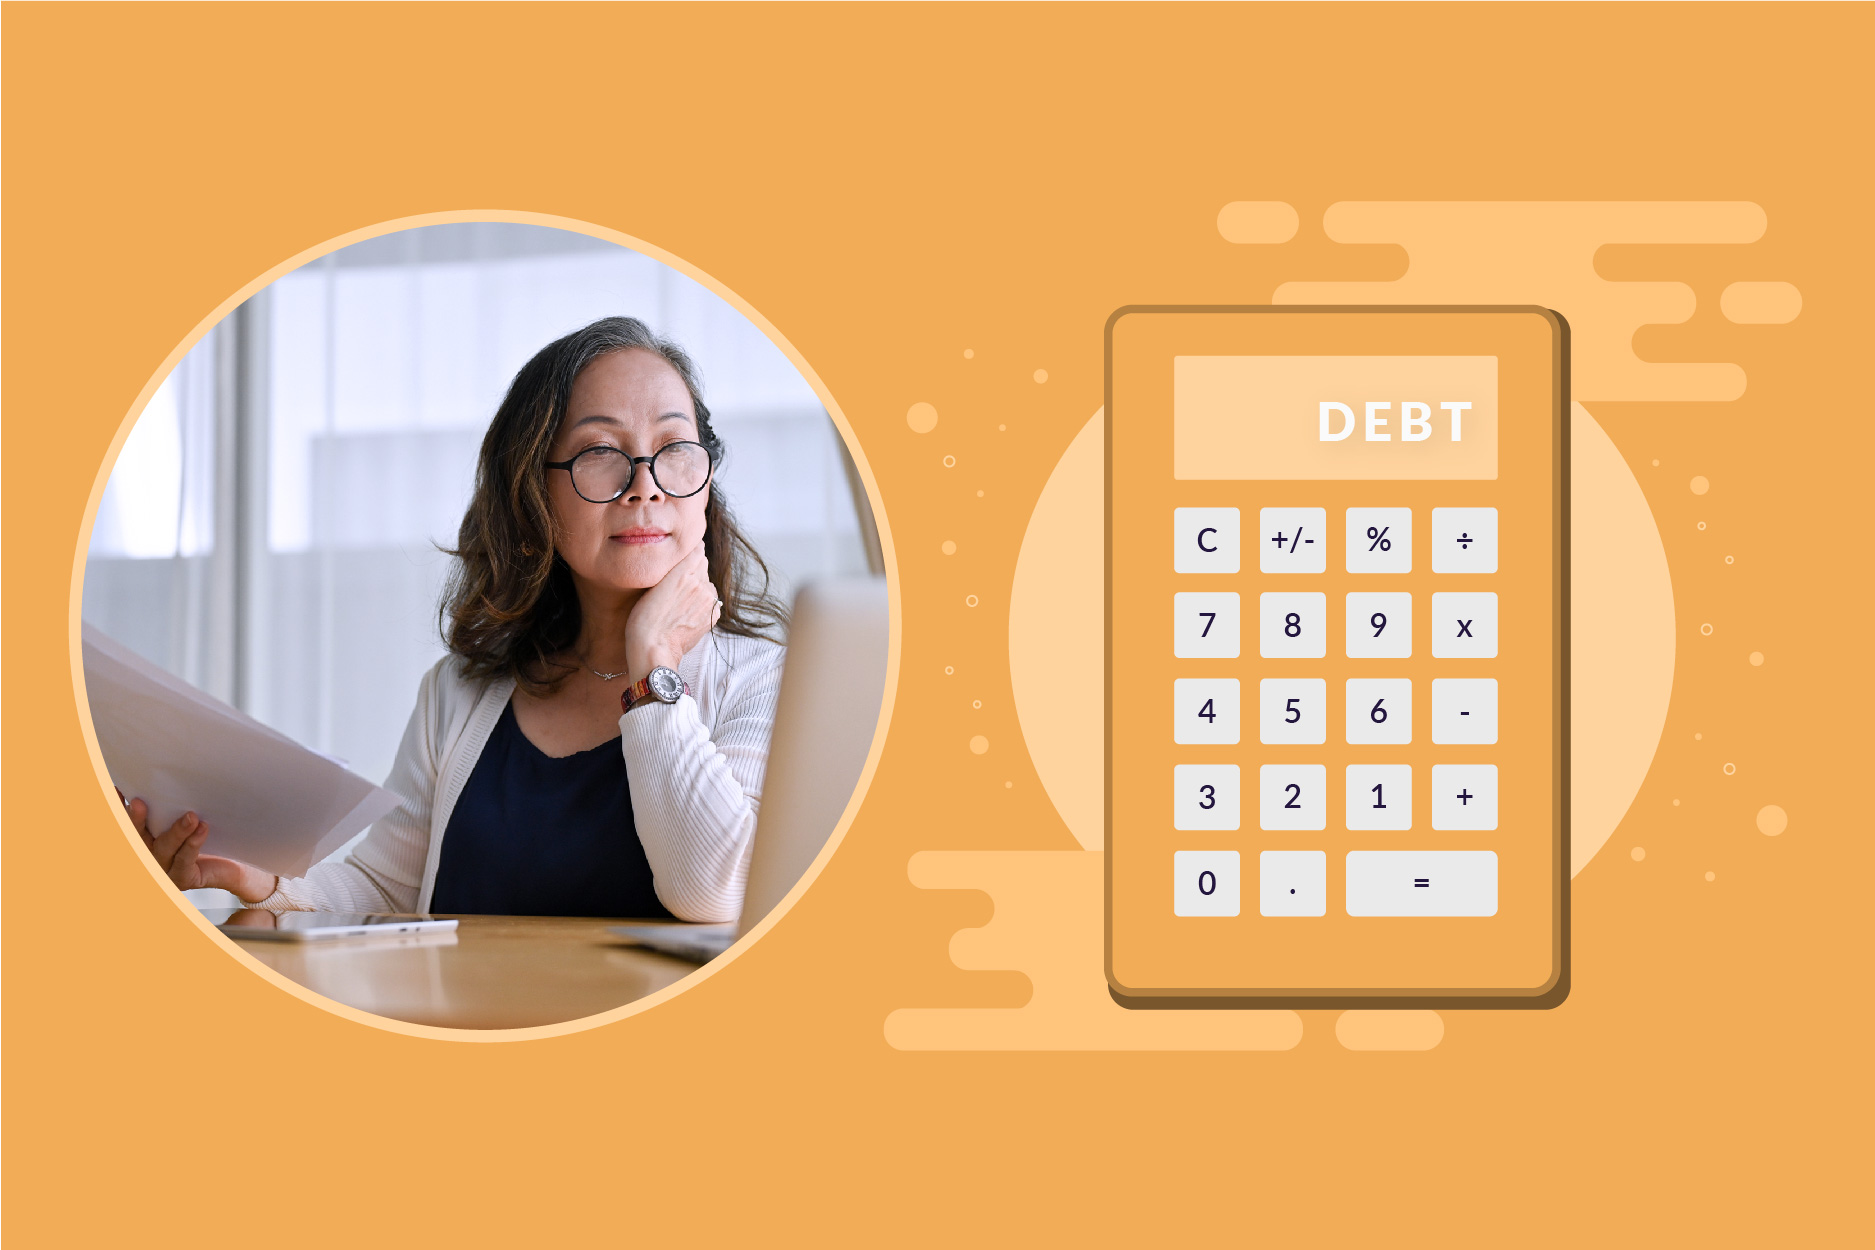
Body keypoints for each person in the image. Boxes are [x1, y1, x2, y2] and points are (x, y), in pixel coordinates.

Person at [125, 317, 788, 923]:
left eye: (674, 447)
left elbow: (714, 891)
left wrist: (653, 665)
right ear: (533, 490)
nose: (645, 484)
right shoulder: (459, 692)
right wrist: (262, 880)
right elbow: (385, 890)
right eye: (599, 452)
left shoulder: (766, 682)